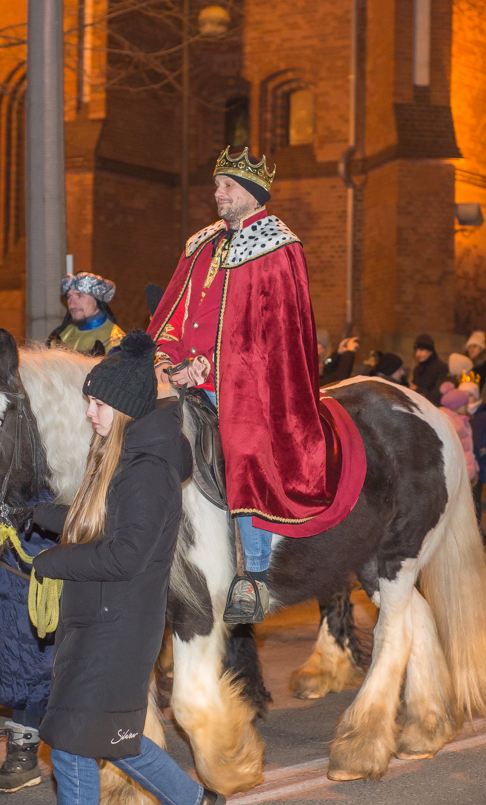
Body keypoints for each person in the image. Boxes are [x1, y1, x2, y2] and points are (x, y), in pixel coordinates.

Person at [149, 147, 362, 624]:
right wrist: (167, 358)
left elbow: (275, 336)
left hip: (246, 384)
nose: (217, 193)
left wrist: (205, 368)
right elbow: (174, 311)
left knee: (243, 447)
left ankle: (255, 576)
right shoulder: (202, 243)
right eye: (217, 184)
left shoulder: (278, 247)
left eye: (227, 186)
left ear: (251, 194)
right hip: (183, 372)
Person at [24, 330, 223, 805]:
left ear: (127, 408)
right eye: (89, 402)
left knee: (73, 747)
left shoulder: (147, 471)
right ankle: (196, 801)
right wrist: (32, 515)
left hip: (119, 627)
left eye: (98, 404)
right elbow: (97, 520)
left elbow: (124, 554)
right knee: (114, 739)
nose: (89, 413)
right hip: (102, 619)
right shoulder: (123, 456)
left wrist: (55, 562)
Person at [49, 271, 125, 356]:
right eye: (69, 296)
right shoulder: (61, 336)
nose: (72, 304)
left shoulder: (114, 342)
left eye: (80, 295)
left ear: (96, 300)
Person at [460, 373, 486, 535]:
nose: (466, 398)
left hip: (478, 465)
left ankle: (477, 532)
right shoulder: (457, 416)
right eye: (463, 395)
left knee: (475, 501)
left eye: (469, 395)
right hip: (461, 465)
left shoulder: (485, 417)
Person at [410, 334, 449, 404]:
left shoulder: (441, 368)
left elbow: (437, 396)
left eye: (421, 350)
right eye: (416, 350)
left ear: (430, 351)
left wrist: (416, 389)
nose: (417, 354)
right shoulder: (417, 369)